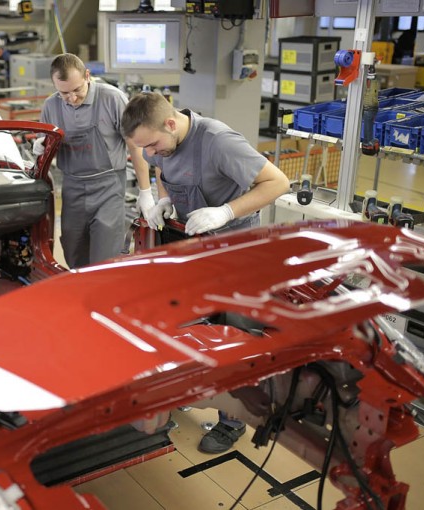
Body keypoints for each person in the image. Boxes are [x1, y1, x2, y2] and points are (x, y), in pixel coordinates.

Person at [121, 92, 289, 453]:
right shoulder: (162, 143)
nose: (149, 154)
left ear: (170, 123)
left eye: (152, 145)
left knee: (234, 334)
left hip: (236, 249)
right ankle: (192, 389)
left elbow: (278, 183)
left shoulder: (218, 141)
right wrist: (164, 198)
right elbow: (164, 171)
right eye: (142, 148)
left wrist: (225, 211)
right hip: (195, 247)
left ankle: (232, 421)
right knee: (191, 323)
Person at [33, 53, 153, 268]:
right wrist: (40, 146)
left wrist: (145, 192)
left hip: (109, 188)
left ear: (87, 76)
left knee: (105, 257)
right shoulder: (51, 105)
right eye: (64, 93)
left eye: (77, 90)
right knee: (73, 251)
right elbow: (45, 147)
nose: (71, 98)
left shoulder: (112, 99)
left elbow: (136, 146)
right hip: (72, 188)